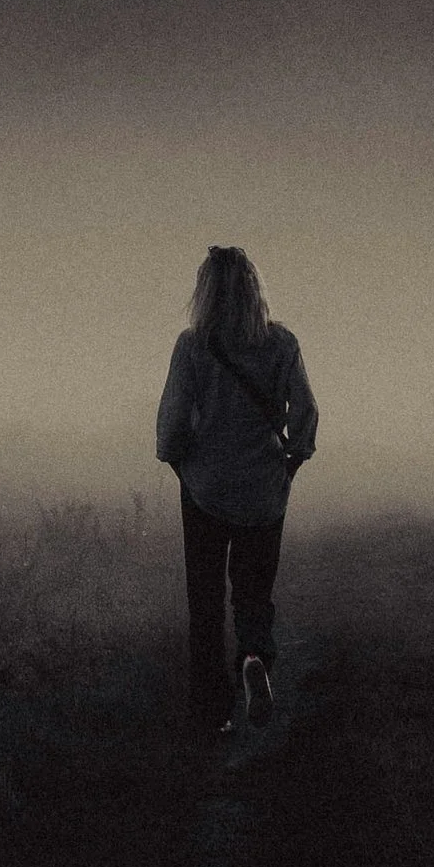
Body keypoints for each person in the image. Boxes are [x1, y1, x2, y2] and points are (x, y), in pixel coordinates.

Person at [154, 246, 318, 735]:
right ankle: (254, 659)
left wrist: (179, 462)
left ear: (204, 291)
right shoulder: (283, 344)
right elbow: (305, 418)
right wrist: (289, 465)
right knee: (253, 593)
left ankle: (212, 714)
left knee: (204, 602)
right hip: (264, 490)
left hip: (205, 489)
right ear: (255, 289)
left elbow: (171, 426)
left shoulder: (192, 346)